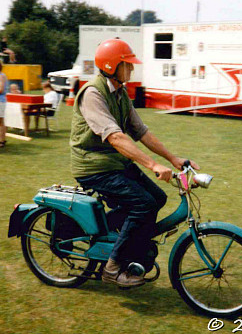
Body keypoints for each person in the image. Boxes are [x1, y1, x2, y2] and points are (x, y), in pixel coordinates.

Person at [70, 39, 199, 288]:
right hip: (93, 167)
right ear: (111, 66)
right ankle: (112, 267)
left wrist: (173, 159)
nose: (131, 69)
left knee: (157, 199)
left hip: (114, 164)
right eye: (127, 65)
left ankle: (126, 246)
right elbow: (115, 137)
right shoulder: (93, 93)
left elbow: (140, 131)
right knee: (142, 205)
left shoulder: (120, 93)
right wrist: (153, 166)